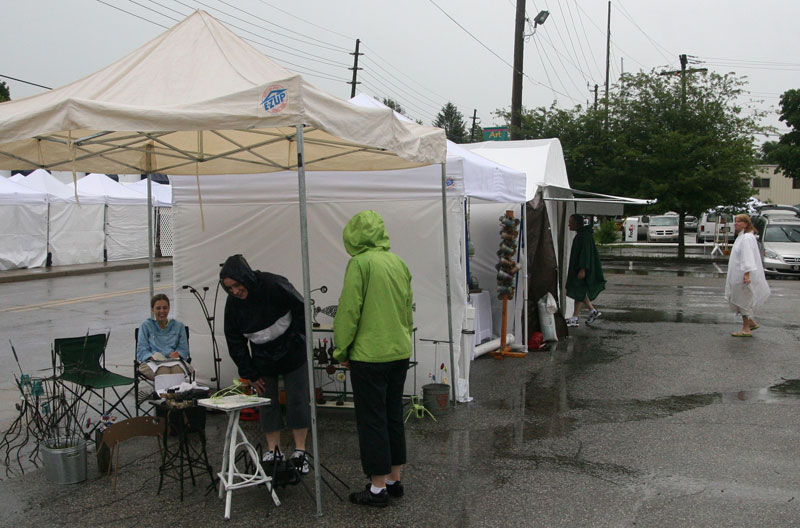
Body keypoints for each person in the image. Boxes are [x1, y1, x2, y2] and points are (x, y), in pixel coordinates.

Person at [333, 210, 414, 508]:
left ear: (353, 236)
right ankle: (394, 480)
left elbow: (349, 311)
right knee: (393, 414)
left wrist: (340, 349)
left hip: (369, 355)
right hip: (399, 350)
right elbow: (407, 309)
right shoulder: (398, 262)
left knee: (372, 419)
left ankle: (377, 488)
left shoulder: (360, 264)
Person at [219, 254, 311, 473]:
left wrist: (297, 339)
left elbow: (301, 308)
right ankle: (274, 450)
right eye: (229, 288)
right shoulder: (232, 305)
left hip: (292, 352)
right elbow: (234, 340)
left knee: (297, 400)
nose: (234, 291)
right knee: (267, 403)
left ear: (245, 278)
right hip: (263, 359)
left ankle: (300, 451)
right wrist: (249, 372)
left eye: (237, 285)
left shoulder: (274, 284)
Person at [725, 214, 770, 337]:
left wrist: (746, 274)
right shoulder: (743, 236)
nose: (735, 224)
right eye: (735, 221)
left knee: (743, 300)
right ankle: (751, 322)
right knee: (738, 298)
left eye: (738, 221)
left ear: (746, 223)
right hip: (737, 274)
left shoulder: (747, 239)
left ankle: (746, 328)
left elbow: (748, 257)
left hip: (742, 275)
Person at [565, 213, 606, 327]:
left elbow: (585, 253)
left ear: (576, 223)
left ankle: (578, 316)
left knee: (579, 290)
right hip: (579, 268)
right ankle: (586, 313)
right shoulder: (582, 235)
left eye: (570, 222)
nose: (569, 225)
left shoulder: (584, 236)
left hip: (581, 269)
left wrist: (583, 268)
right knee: (580, 291)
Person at [136, 293, 190, 380]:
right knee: (163, 371)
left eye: (165, 308)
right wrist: (151, 357)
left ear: (169, 308)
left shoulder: (179, 326)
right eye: (158, 308)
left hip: (174, 361)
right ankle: (163, 393)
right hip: (152, 362)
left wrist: (178, 354)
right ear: (152, 310)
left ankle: (176, 393)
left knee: (177, 371)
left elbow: (184, 349)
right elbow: (142, 349)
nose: (162, 311)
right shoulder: (146, 325)